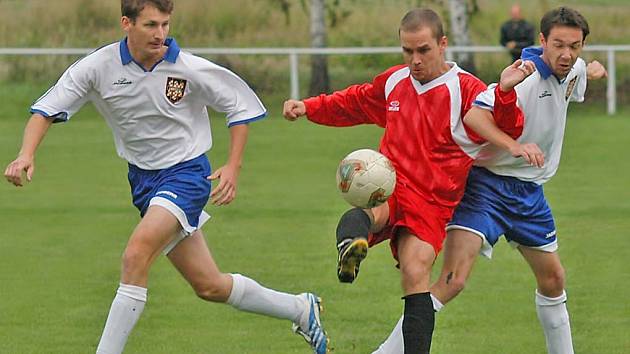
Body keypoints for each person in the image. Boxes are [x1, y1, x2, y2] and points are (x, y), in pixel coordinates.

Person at [3, 1, 328, 353]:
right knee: (209, 285)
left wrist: (233, 166)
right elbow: (45, 110)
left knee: (135, 255)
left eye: (165, 24)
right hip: (144, 182)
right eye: (151, 25)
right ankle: (299, 307)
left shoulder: (188, 67)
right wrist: (26, 154)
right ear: (126, 23)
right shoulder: (98, 66)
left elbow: (240, 106)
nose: (161, 34)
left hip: (187, 175)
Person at [373, 6, 608, 354]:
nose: (566, 53)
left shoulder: (572, 68)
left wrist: (592, 71)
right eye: (558, 44)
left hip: (529, 194)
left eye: (574, 46)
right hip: (486, 188)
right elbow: (475, 114)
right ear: (541, 40)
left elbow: (575, 79)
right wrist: (515, 145)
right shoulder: (522, 77)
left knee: (554, 279)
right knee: (453, 281)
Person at [282, 8, 511, 354]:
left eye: (423, 50)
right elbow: (354, 103)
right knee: (369, 215)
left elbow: (505, 123)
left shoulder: (466, 90)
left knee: (415, 271)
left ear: (443, 44)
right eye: (407, 51)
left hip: (434, 202)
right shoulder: (394, 82)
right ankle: (351, 246)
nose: (414, 60)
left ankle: (355, 244)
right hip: (390, 184)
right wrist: (309, 107)